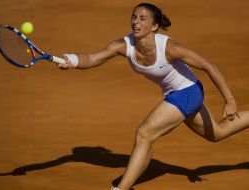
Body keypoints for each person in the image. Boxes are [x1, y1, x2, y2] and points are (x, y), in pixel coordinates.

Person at [58, 3, 249, 190]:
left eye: (142, 18)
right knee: (217, 134)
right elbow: (91, 58)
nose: (135, 22)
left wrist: (229, 100)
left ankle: (121, 188)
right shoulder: (123, 45)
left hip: (188, 92)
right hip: (175, 94)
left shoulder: (168, 48)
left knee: (145, 134)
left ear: (155, 26)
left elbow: (209, 66)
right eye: (134, 17)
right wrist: (71, 61)